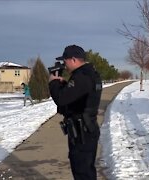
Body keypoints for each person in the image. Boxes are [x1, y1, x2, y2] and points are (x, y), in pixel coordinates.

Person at [49, 45, 102, 180]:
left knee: (82, 172)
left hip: (82, 133)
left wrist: (53, 83)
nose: (64, 65)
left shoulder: (81, 76)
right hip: (85, 130)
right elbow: (76, 98)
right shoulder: (89, 74)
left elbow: (61, 100)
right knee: (85, 171)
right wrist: (64, 84)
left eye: (65, 61)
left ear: (73, 59)